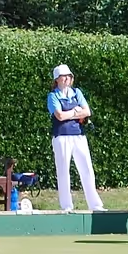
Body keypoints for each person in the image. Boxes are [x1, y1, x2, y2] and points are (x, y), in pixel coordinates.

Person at [47, 64, 105, 213]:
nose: (67, 79)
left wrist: (72, 113)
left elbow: (87, 111)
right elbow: (59, 116)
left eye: (69, 76)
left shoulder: (77, 92)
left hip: (79, 136)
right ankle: (66, 206)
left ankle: (96, 205)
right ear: (57, 79)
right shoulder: (53, 96)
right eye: (64, 76)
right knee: (63, 171)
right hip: (61, 137)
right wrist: (75, 111)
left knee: (86, 169)